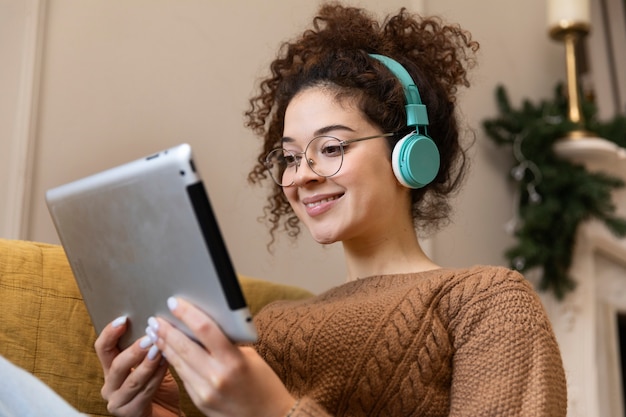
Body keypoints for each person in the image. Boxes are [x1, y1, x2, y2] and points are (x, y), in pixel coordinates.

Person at [94, 3, 568, 417]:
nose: (302, 176)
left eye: (332, 147)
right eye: (292, 157)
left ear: (410, 154)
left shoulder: (485, 301)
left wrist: (275, 412)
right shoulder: (270, 329)